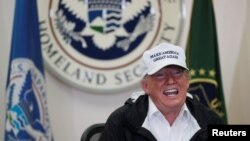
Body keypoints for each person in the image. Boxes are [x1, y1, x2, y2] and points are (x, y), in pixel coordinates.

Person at [99, 43, 222, 141]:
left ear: (187, 81)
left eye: (177, 72)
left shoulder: (210, 119)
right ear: (146, 86)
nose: (170, 81)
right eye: (160, 75)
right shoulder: (121, 121)